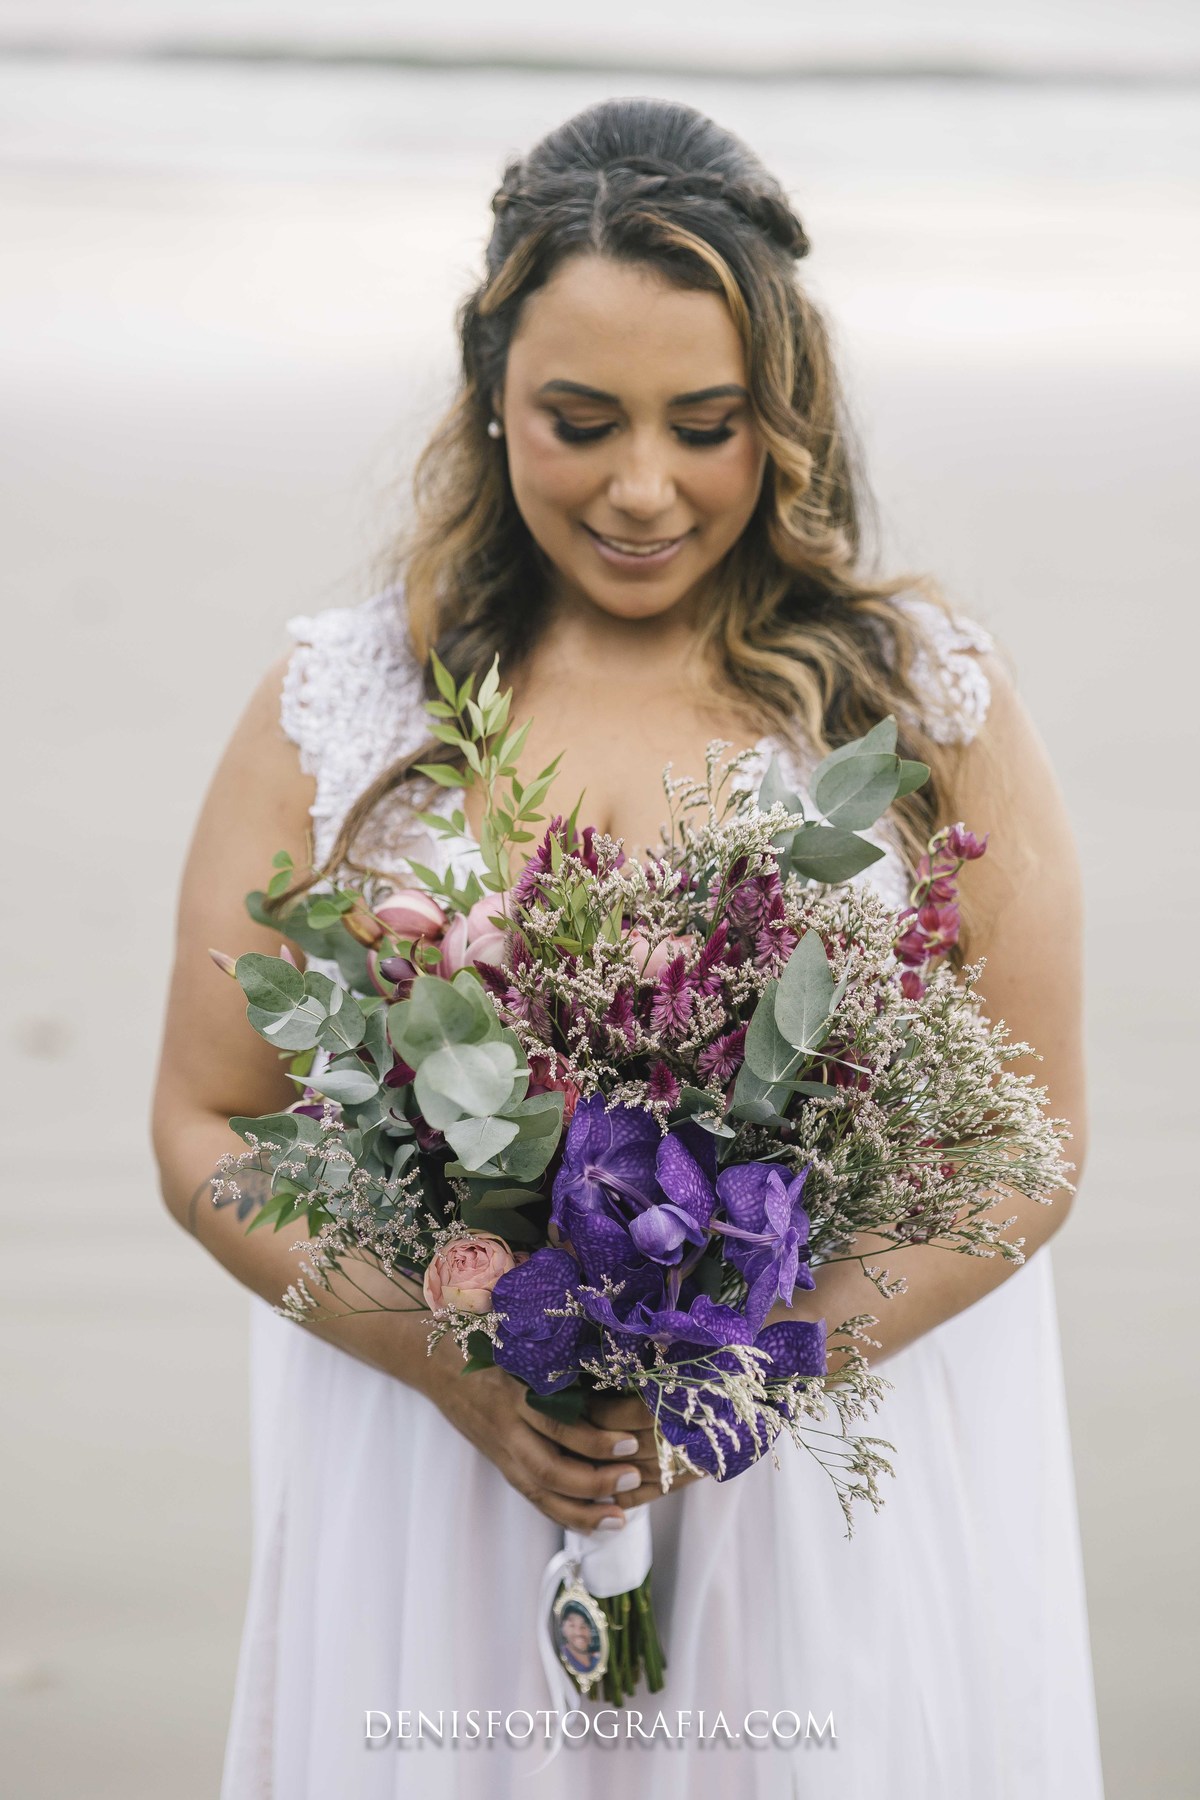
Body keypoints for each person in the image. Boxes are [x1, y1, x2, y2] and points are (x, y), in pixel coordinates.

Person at [151, 96, 1105, 1798]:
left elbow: (1027, 1148)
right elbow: (205, 1124)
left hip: (803, 1497)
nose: (644, 488)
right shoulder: (347, 705)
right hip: (454, 1483)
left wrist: (762, 1368)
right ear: (490, 402)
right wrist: (448, 1365)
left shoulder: (918, 696)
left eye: (708, 424)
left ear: (784, 418)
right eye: (578, 422)